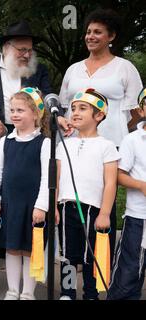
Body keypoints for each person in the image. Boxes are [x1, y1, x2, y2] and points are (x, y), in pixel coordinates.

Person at [58, 7, 143, 266]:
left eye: (98, 32)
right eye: (88, 32)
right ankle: (76, 256)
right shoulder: (73, 70)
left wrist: (117, 134)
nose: (90, 36)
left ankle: (101, 257)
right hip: (75, 145)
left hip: (110, 145)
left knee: (105, 198)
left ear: (111, 36)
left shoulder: (124, 68)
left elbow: (137, 111)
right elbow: (64, 106)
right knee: (76, 198)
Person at [56, 88, 120, 300]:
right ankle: (68, 292)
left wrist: (105, 213)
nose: (75, 112)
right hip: (66, 206)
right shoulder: (64, 144)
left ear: (99, 115)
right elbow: (56, 178)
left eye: (83, 108)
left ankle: (90, 294)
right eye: (73, 108)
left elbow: (111, 183)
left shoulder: (107, 146)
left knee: (90, 256)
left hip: (92, 209)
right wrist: (54, 205)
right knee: (68, 255)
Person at [0, 87, 52, 300]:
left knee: (30, 249)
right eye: (12, 110)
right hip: (11, 204)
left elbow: (47, 178)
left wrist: (42, 205)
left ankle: (27, 293)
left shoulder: (44, 143)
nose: (14, 114)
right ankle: (12, 290)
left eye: (20, 110)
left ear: (36, 113)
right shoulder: (6, 141)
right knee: (13, 249)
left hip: (32, 206)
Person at [0, 20, 52, 135]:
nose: (26, 55)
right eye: (22, 50)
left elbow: (48, 100)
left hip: (31, 136)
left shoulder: (39, 70)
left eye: (30, 50)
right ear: (6, 48)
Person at [107, 88, 146, 300]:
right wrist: (141, 185)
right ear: (141, 110)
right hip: (138, 218)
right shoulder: (133, 140)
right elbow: (119, 176)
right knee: (129, 271)